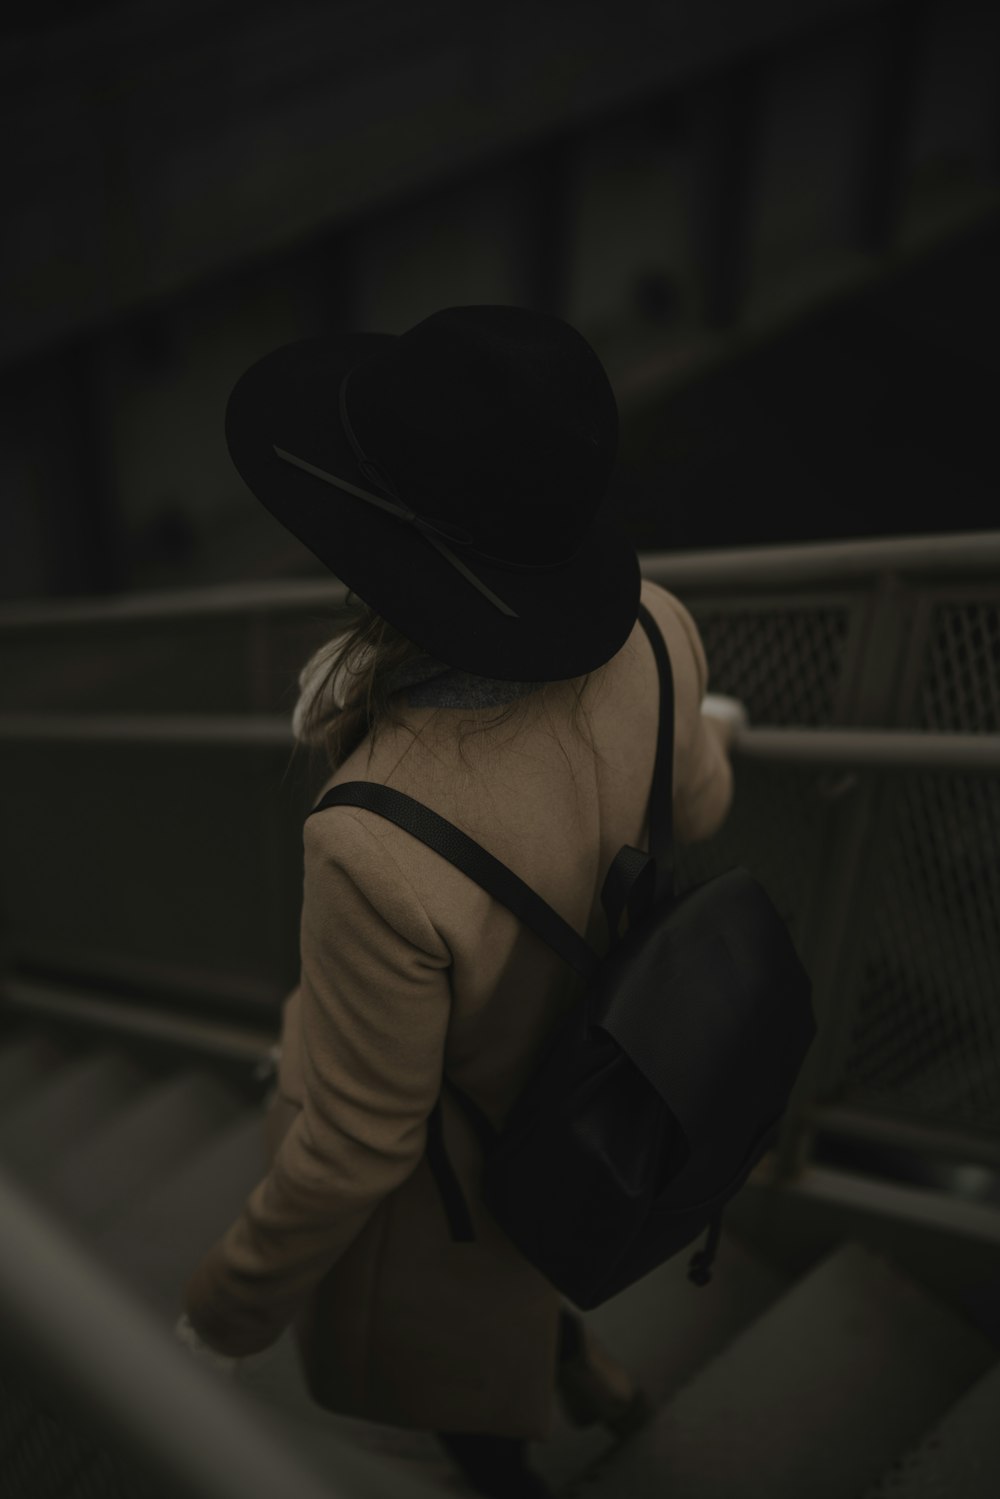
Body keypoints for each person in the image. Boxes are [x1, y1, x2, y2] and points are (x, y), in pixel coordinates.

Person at [176, 306, 739, 1498]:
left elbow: (358, 1140)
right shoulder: (660, 632)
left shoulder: (377, 834)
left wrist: (222, 1314)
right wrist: (705, 727)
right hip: (605, 1099)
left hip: (466, 1192)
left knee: (470, 1402)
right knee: (533, 1287)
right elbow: (696, 807)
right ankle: (596, 1379)